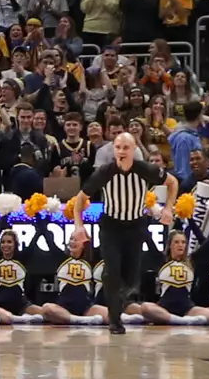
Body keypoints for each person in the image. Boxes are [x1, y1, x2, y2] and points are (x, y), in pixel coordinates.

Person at [67, 131, 177, 333]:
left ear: (134, 149)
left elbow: (172, 183)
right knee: (112, 272)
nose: (121, 151)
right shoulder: (104, 172)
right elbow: (80, 199)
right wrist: (78, 226)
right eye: (118, 147)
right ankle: (115, 321)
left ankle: (117, 298)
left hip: (135, 226)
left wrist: (169, 208)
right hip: (111, 226)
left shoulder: (145, 169)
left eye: (126, 147)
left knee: (132, 278)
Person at [41, 224, 108, 325]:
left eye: (76, 239)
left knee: (112, 314)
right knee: (47, 308)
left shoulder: (90, 260)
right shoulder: (61, 258)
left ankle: (76, 319)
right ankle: (77, 320)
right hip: (64, 308)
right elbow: (48, 239)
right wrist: (39, 217)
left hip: (86, 308)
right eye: (71, 239)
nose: (72, 242)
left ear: (84, 243)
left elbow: (104, 240)